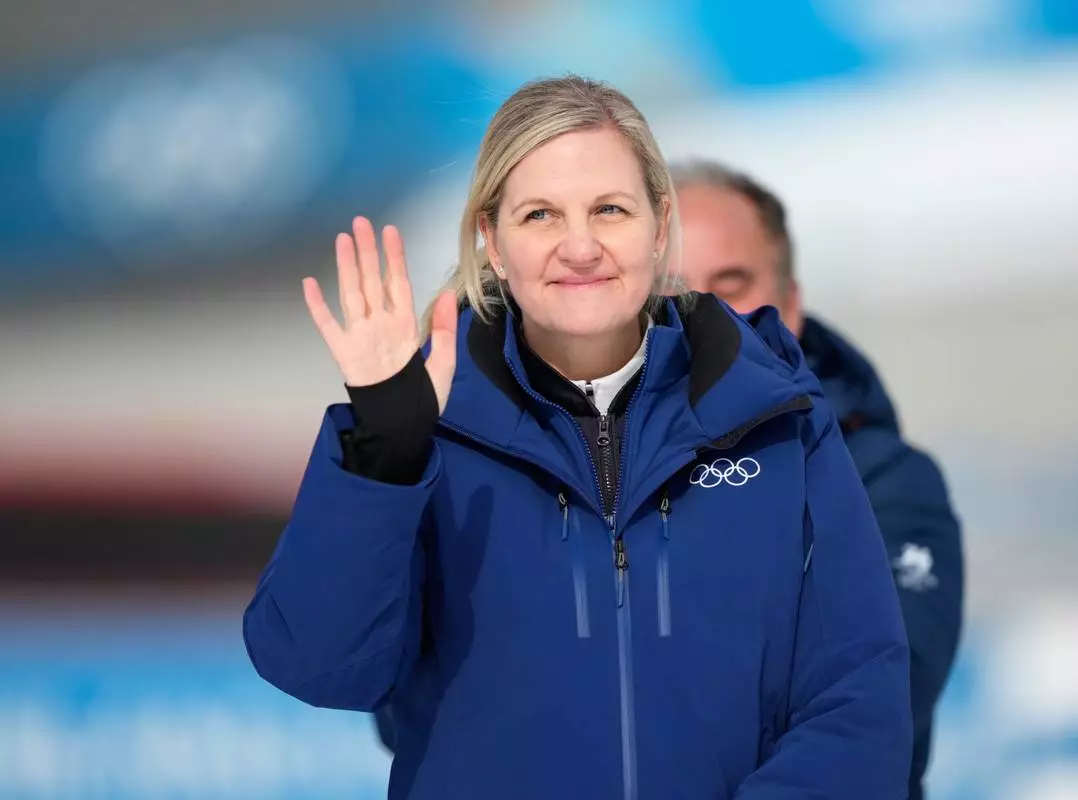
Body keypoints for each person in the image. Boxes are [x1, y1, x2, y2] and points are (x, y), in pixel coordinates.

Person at [243, 76, 911, 800]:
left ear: (659, 230)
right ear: (492, 244)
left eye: (609, 210)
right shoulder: (423, 432)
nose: (581, 246)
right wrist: (383, 454)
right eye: (540, 215)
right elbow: (319, 666)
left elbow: (858, 698)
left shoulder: (778, 418)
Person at [671, 159, 964, 800]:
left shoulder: (881, 478)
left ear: (792, 306)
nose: (703, 316)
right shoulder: (584, 478)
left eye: (732, 284)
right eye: (671, 289)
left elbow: (879, 704)